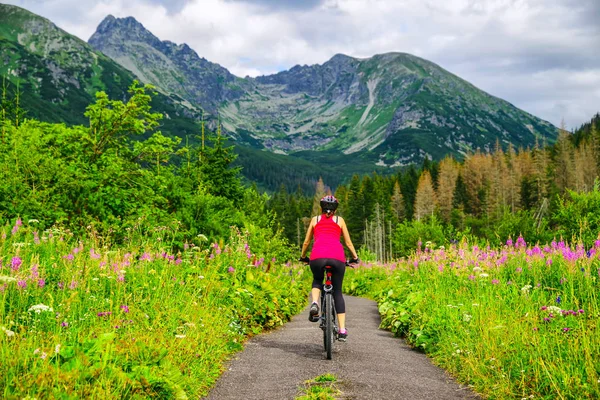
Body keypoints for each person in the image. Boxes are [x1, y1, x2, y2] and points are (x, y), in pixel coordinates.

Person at [299, 195, 359, 342]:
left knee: (317, 280)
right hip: (337, 257)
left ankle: (314, 303)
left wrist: (303, 256)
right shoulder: (340, 221)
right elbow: (348, 242)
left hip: (317, 256)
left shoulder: (315, 220)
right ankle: (343, 330)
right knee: (337, 291)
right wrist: (355, 257)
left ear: (321, 208)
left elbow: (307, 242)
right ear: (335, 210)